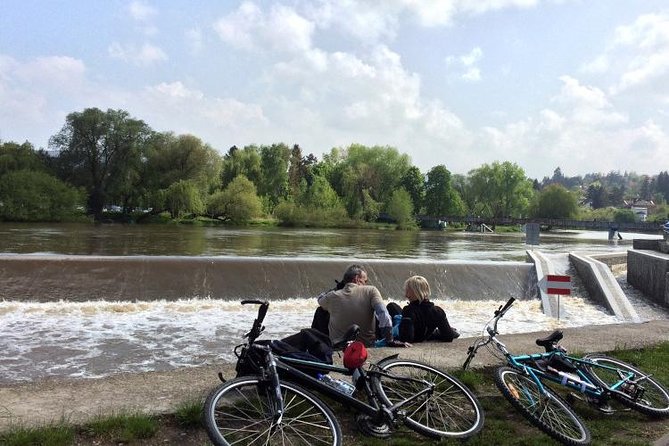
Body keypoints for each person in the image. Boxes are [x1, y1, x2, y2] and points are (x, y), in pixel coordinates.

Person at [316, 264, 409, 347]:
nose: (365, 283)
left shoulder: (332, 296)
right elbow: (383, 314)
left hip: (339, 346)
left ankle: (319, 344)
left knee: (320, 310)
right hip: (366, 344)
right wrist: (390, 340)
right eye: (365, 280)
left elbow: (320, 299)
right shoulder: (371, 291)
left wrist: (336, 288)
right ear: (357, 278)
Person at [397, 275, 459, 343]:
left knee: (392, 306)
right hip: (426, 333)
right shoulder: (438, 311)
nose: (406, 295)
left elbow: (406, 339)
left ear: (416, 292)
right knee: (453, 332)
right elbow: (448, 337)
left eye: (408, 291)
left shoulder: (409, 311)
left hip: (414, 333)